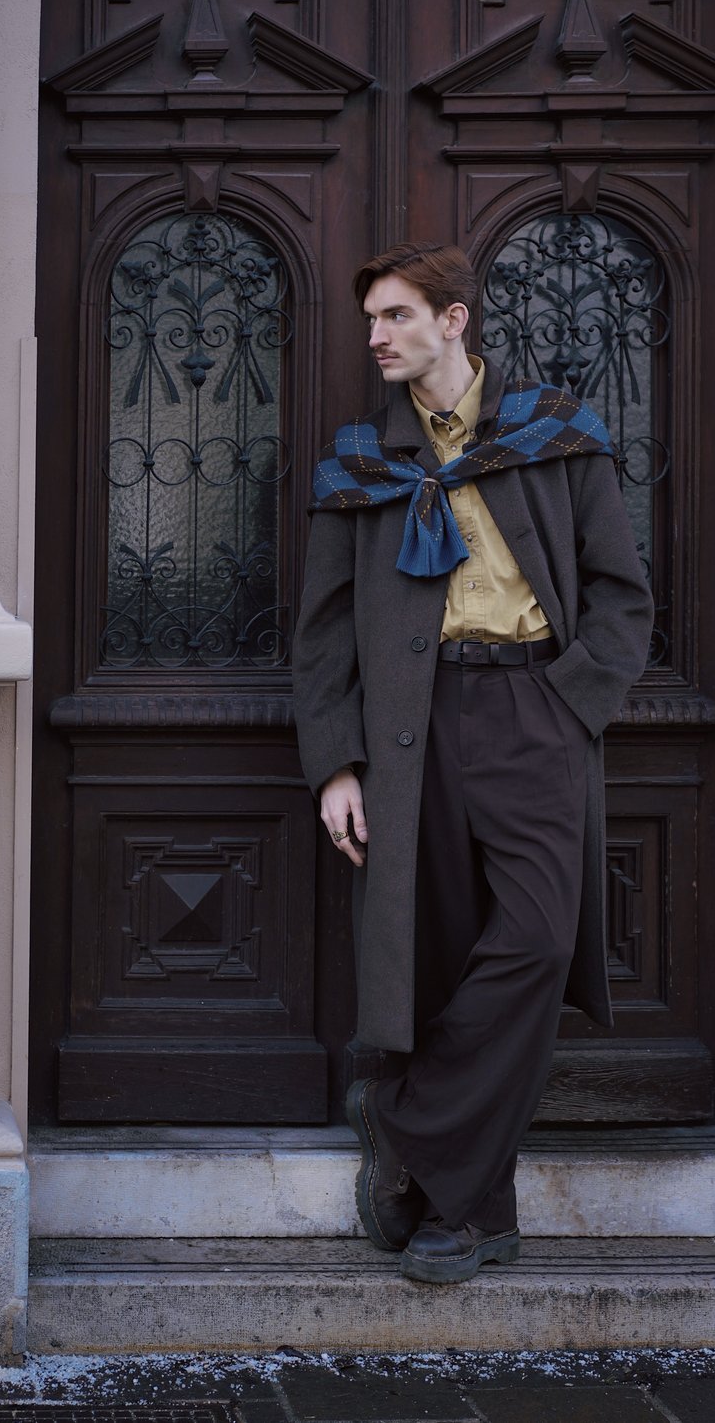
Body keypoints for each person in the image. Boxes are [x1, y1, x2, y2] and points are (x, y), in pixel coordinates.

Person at [293, 241, 653, 1284]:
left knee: (537, 941)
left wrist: (569, 705)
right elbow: (322, 632)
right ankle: (470, 1214)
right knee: (441, 952)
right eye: (371, 318)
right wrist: (336, 764)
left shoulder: (555, 434)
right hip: (413, 727)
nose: (376, 336)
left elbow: (621, 594)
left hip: (535, 708)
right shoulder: (362, 461)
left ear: (454, 320)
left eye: (397, 315)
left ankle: (404, 1114)